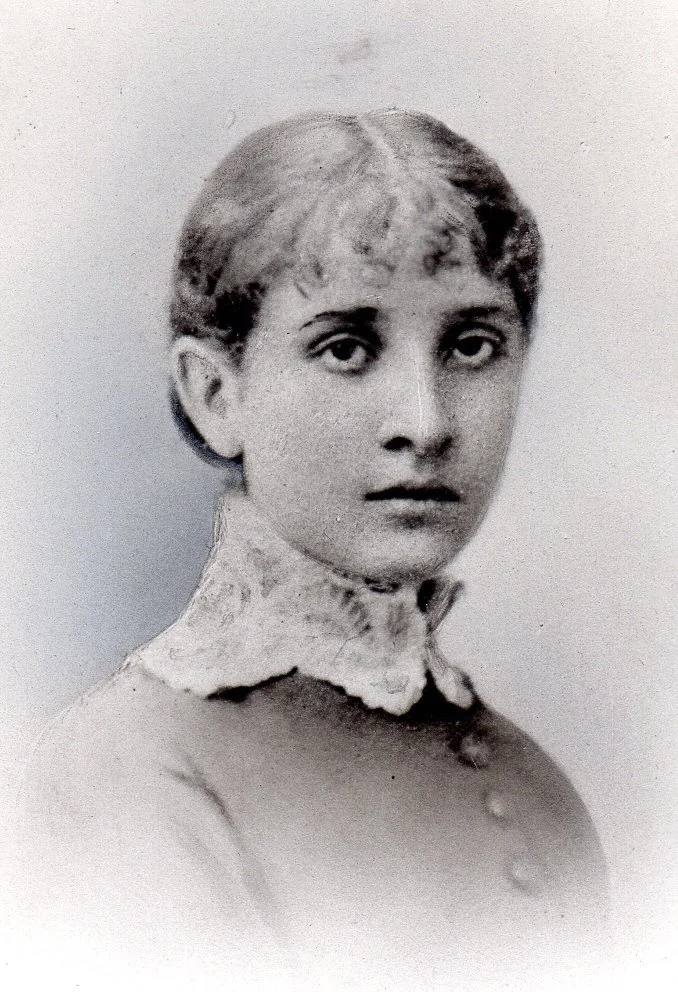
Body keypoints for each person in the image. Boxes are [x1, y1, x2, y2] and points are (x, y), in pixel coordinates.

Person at [16, 110, 608, 991]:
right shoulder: (123, 772)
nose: (426, 423)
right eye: (347, 348)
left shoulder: (536, 786)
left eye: (472, 346)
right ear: (216, 395)